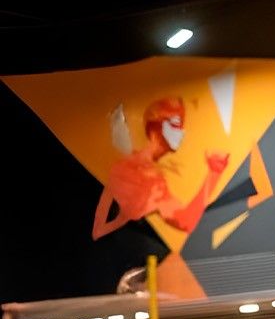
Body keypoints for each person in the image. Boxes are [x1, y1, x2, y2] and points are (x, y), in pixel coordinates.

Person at [92, 96, 229, 240]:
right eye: (176, 124)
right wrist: (214, 172)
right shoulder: (146, 177)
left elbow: (99, 228)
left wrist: (214, 174)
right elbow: (186, 221)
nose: (182, 132)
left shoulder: (148, 176)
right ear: (156, 126)